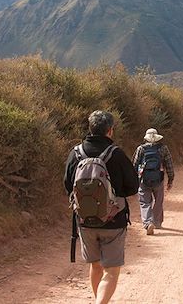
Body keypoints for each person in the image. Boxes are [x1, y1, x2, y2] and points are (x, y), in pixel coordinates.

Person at [64, 111, 139, 304]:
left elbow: (67, 184)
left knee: (95, 266)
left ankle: (99, 300)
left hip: (84, 221)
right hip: (114, 221)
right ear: (110, 130)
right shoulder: (117, 154)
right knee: (111, 271)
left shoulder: (75, 153)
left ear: (90, 128)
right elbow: (132, 186)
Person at [132, 128, 175, 234]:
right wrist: (170, 180)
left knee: (144, 202)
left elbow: (134, 164)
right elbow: (169, 165)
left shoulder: (140, 149)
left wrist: (134, 180)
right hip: (158, 179)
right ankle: (157, 222)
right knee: (158, 201)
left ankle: (148, 223)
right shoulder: (163, 148)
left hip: (144, 180)